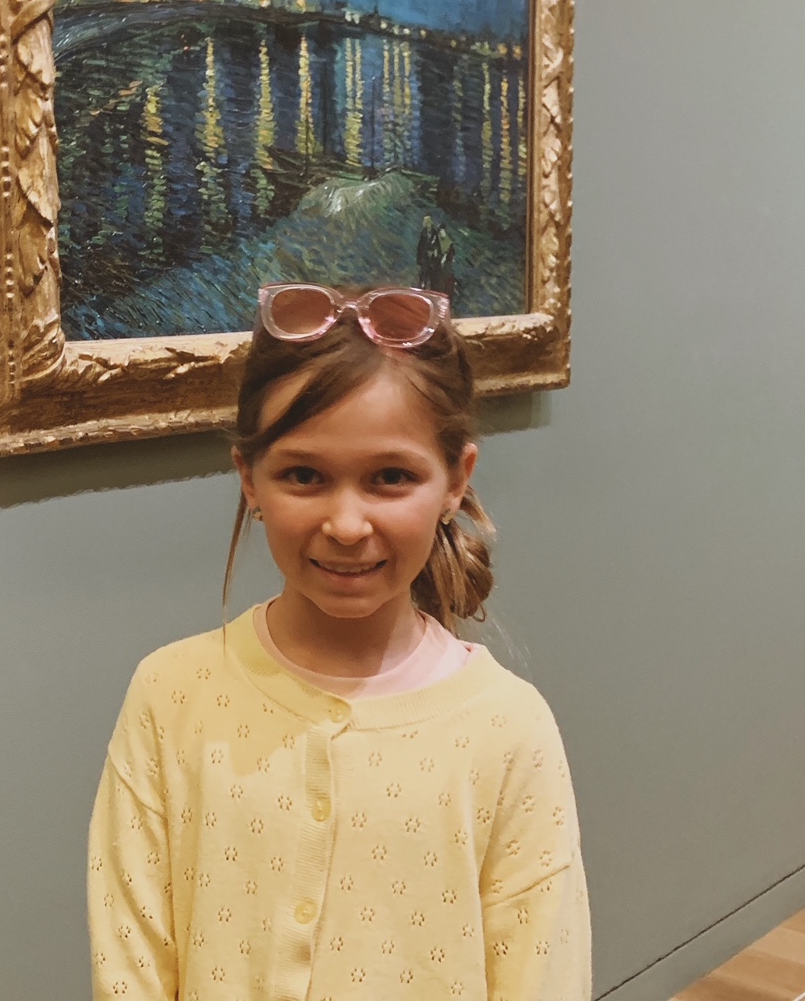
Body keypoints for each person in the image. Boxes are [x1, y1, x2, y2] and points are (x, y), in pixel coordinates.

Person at [87, 282, 591, 1001]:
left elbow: (543, 974)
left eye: (390, 477)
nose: (347, 524)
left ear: (455, 480)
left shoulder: (507, 729)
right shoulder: (171, 696)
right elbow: (128, 962)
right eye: (304, 476)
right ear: (249, 479)